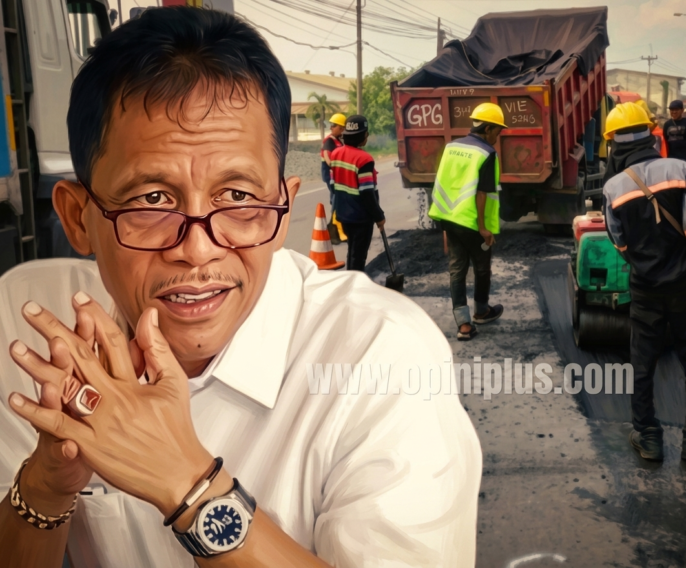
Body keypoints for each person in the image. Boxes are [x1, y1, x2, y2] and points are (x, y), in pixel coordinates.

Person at [0, 8, 482, 568]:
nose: (199, 248)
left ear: (283, 207)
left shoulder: (379, 356)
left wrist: (186, 486)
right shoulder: (33, 328)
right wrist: (46, 486)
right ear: (78, 218)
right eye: (152, 200)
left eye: (238, 198)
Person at [602, 102, 686, 463]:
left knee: (642, 360)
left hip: (645, 286)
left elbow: (618, 240)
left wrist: (644, 263)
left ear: (614, 142)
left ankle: (647, 436)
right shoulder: (680, 169)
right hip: (684, 285)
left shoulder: (613, 187)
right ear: (650, 132)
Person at [428, 102, 505, 341]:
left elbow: (444, 183)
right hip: (473, 222)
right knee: (482, 268)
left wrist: (443, 223)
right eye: (498, 131)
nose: (498, 136)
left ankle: (463, 324)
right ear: (489, 128)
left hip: (449, 218)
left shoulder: (451, 147)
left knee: (457, 269)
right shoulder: (487, 153)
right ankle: (481, 310)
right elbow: (482, 193)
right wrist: (484, 228)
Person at [330, 115, 385, 271]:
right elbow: (367, 193)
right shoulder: (364, 160)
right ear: (362, 136)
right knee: (358, 257)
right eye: (366, 133)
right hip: (360, 218)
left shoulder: (336, 154)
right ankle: (355, 288)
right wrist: (379, 216)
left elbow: (334, 185)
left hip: (344, 215)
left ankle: (350, 280)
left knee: (352, 251)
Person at [320, 113, 347, 244]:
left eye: (333, 125)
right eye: (331, 125)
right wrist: (337, 168)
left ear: (341, 128)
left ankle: (337, 231)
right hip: (331, 174)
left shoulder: (338, 140)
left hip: (336, 174)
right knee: (336, 201)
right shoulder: (329, 140)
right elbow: (327, 157)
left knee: (337, 201)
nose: (331, 127)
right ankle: (335, 232)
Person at [662, 100, 686, 165]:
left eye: (676, 109)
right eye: (672, 110)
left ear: (682, 110)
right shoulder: (667, 124)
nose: (674, 112)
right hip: (671, 158)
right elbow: (664, 141)